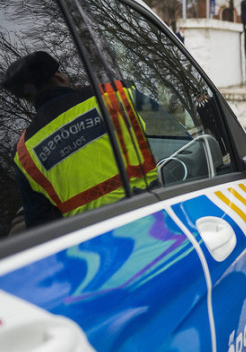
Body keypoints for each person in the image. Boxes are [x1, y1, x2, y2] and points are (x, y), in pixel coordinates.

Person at [1, 52, 157, 228]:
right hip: (158, 219)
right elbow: (178, 141)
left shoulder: (23, 153)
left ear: (28, 99)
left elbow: (40, 224)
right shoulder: (117, 96)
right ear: (59, 77)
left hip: (97, 244)